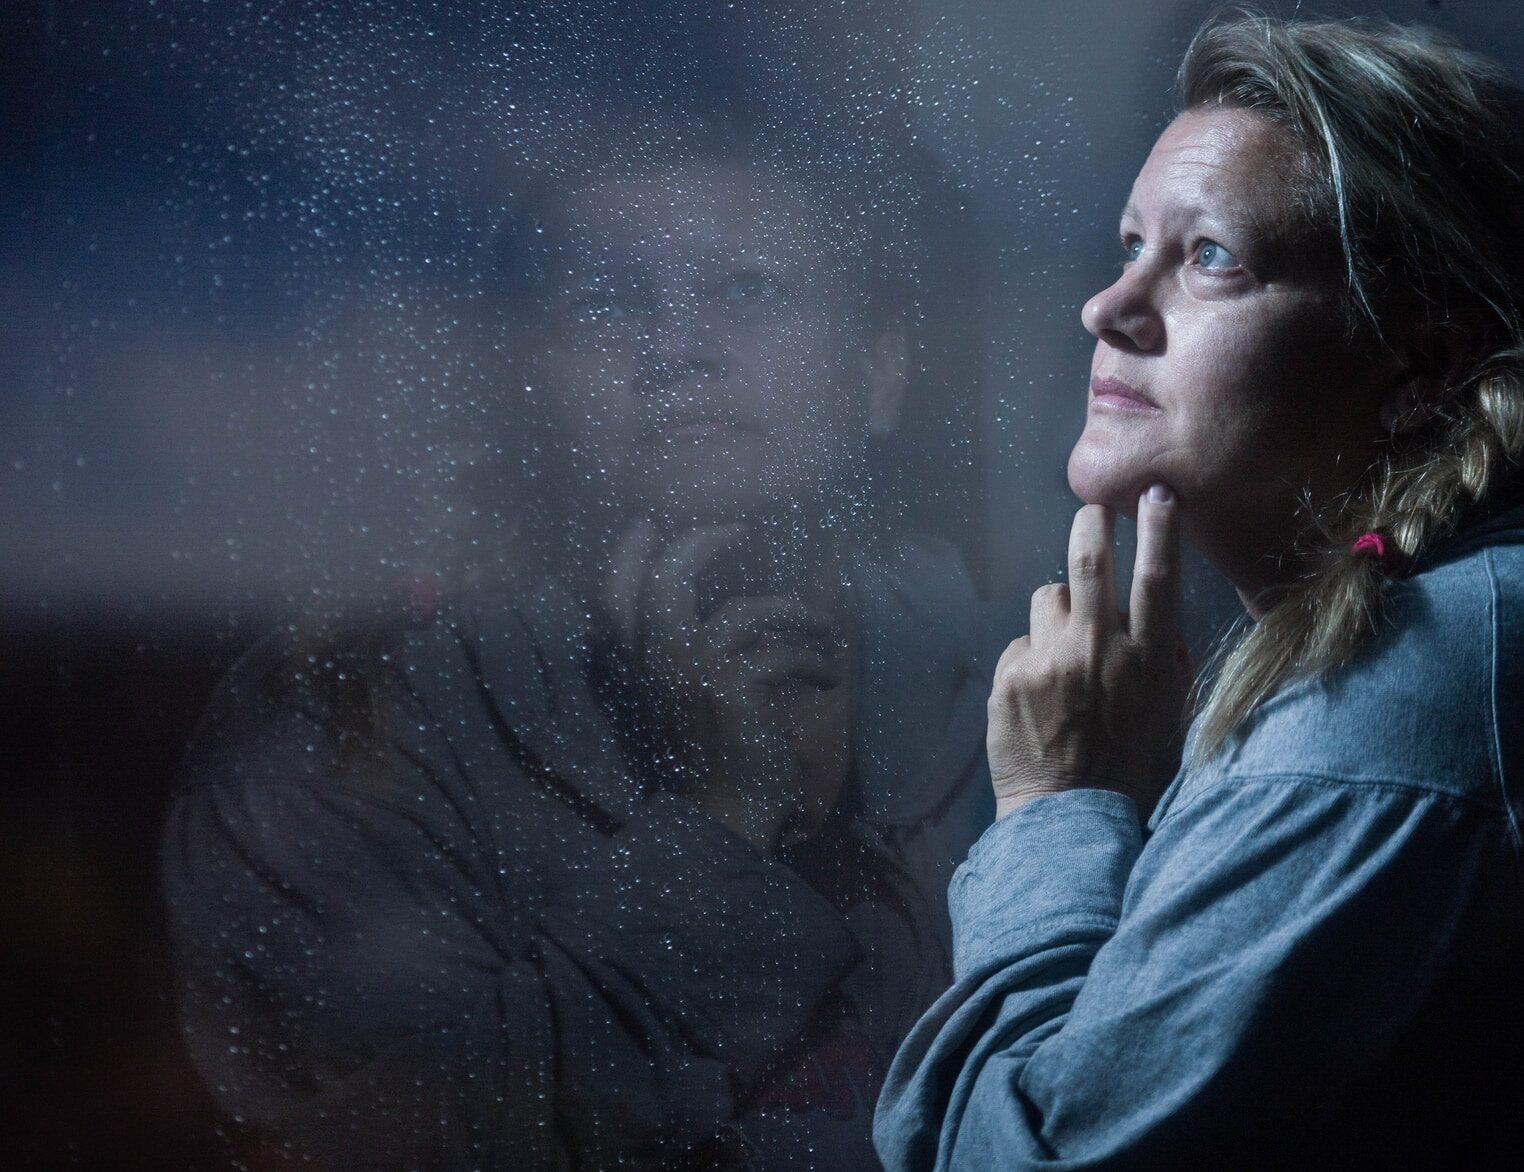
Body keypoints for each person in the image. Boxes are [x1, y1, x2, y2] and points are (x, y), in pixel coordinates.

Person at [162, 93, 992, 1171]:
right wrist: (718, 822)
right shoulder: (346, 723)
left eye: (747, 288)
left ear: (881, 373)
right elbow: (358, 1142)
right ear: (528, 387)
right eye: (608, 301)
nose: (678, 346)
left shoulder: (1035, 690)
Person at [874, 13, 1524, 1169]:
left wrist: (1056, 805)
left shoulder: (1393, 700)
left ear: (1420, 364)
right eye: (1128, 245)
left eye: (1211, 256)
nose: (1110, 308)